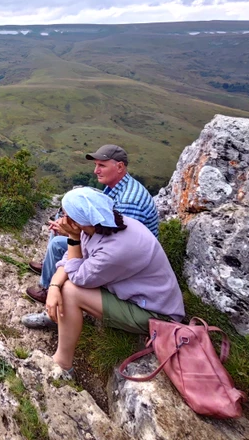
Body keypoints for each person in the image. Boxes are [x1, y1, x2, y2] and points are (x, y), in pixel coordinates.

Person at [27, 187, 184, 374]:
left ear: (77, 221)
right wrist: (53, 287)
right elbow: (70, 261)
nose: (61, 218)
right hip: (137, 293)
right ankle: (60, 317)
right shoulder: (100, 225)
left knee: (70, 291)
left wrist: (73, 238)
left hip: (155, 313)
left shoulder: (114, 249)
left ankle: (62, 364)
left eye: (65, 214)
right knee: (62, 286)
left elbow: (78, 277)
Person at [25, 144, 158, 307]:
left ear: (120, 167)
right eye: (96, 165)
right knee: (65, 220)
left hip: (128, 262)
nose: (96, 171)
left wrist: (71, 233)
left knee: (58, 242)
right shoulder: (117, 187)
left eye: (101, 165)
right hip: (111, 243)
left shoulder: (129, 201)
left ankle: (49, 289)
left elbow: (116, 240)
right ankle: (50, 267)